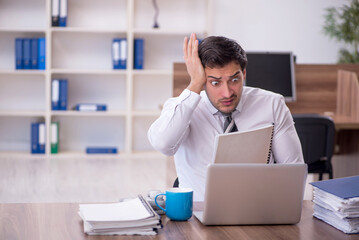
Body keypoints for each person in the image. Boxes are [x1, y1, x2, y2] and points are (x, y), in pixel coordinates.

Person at [148, 33, 304, 201]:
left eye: (234, 80)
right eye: (215, 82)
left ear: (244, 73)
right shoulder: (183, 108)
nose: (227, 92)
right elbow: (163, 145)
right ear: (203, 80)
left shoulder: (272, 105)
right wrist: (194, 84)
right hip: (199, 215)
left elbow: (293, 172)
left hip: (257, 210)